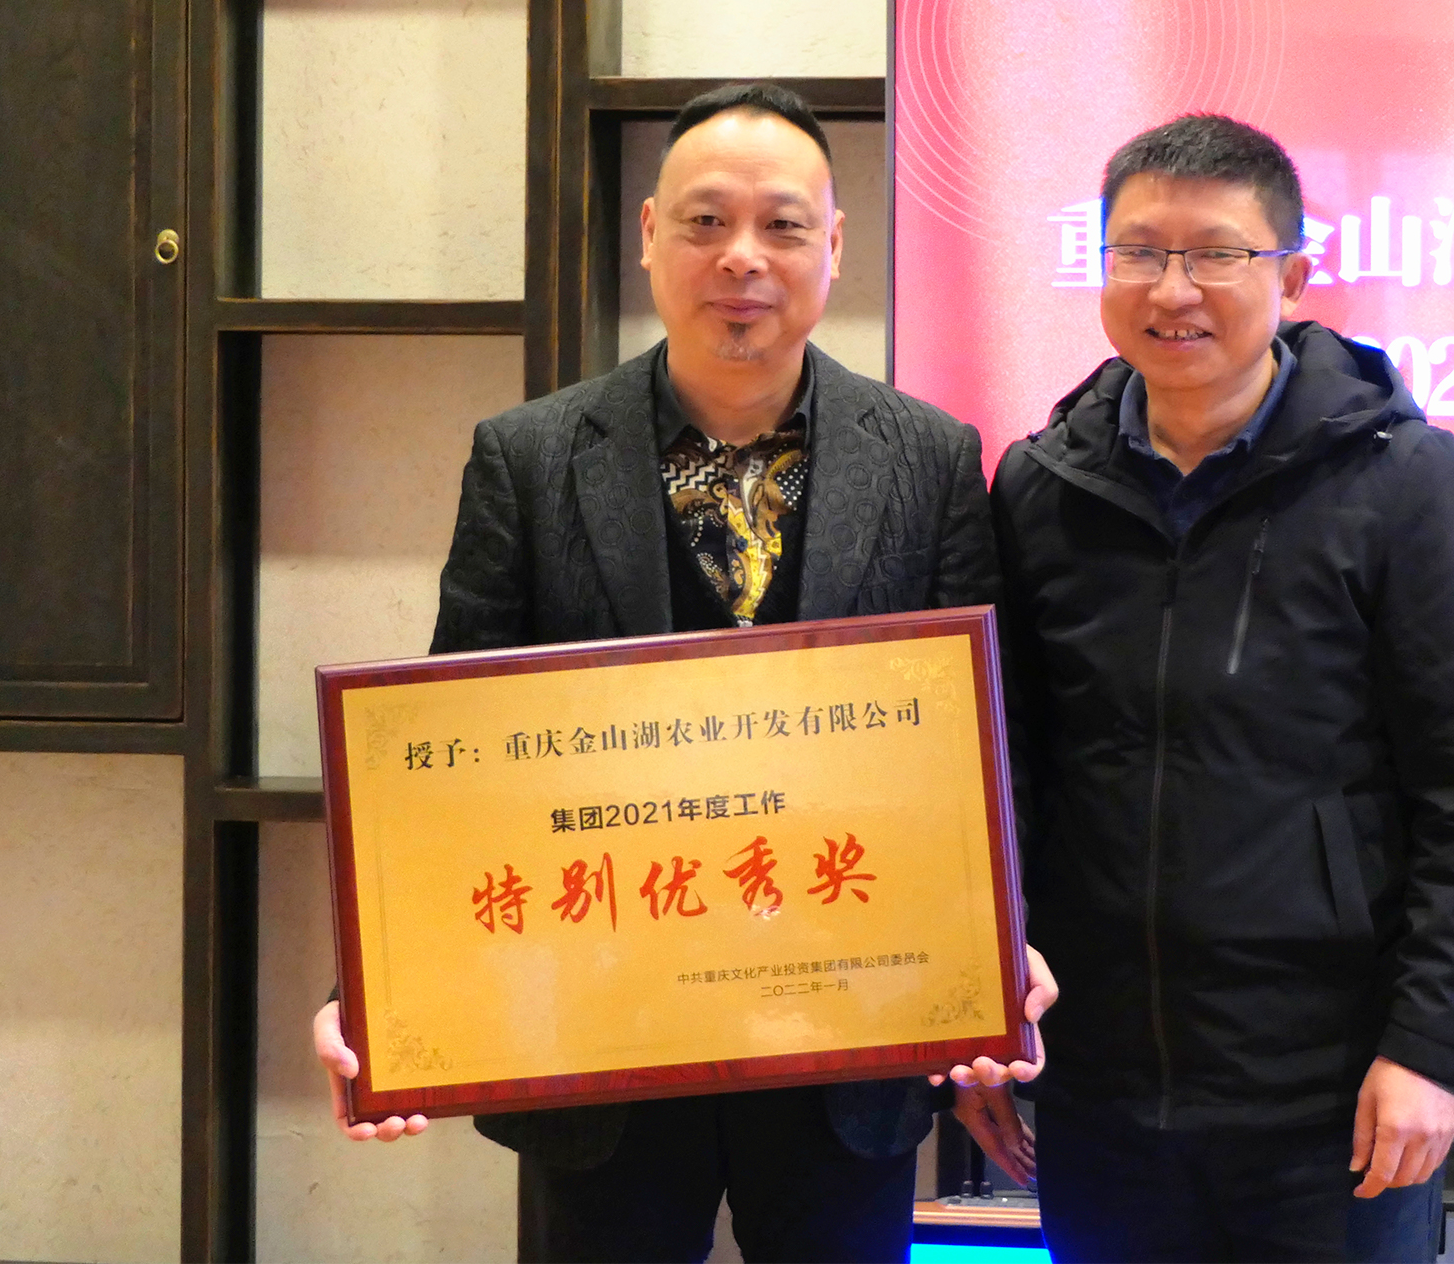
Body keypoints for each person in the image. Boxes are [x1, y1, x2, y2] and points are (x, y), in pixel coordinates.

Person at [310, 82, 1053, 1264]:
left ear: (834, 246)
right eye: (706, 222)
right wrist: (377, 989)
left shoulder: (928, 456)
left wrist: (997, 947)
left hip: (846, 1031)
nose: (741, 257)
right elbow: (446, 762)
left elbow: (982, 748)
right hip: (599, 1039)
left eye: (781, 225)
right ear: (651, 235)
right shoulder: (528, 455)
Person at [981, 114, 1454, 1263]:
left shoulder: (1400, 479)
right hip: (1100, 1091)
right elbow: (1002, 777)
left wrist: (1426, 1050)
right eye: (1139, 251)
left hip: (1328, 1098)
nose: (1171, 288)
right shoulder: (1040, 488)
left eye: (1214, 254)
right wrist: (980, 1011)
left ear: (1288, 277)